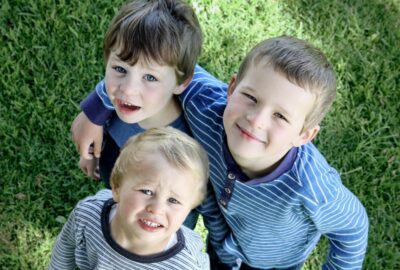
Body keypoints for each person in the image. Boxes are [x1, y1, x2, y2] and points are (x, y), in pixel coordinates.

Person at [72, 36, 369, 269]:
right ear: (231, 88)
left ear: (305, 134)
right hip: (220, 242)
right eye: (250, 97)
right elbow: (158, 63)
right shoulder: (205, 102)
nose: (256, 119)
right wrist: (95, 110)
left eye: (281, 116)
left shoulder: (312, 186)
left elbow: (353, 228)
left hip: (272, 263)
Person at [72, 0, 203, 229]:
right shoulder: (116, 104)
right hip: (115, 169)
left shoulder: (189, 142)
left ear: (182, 82)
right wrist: (91, 155)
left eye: (150, 77)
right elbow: (91, 130)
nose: (128, 89)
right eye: (120, 69)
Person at [49, 127, 210, 270]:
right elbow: (65, 250)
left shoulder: (187, 265)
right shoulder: (87, 215)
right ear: (117, 187)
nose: (157, 208)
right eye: (147, 191)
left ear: (190, 207)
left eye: (173, 200)